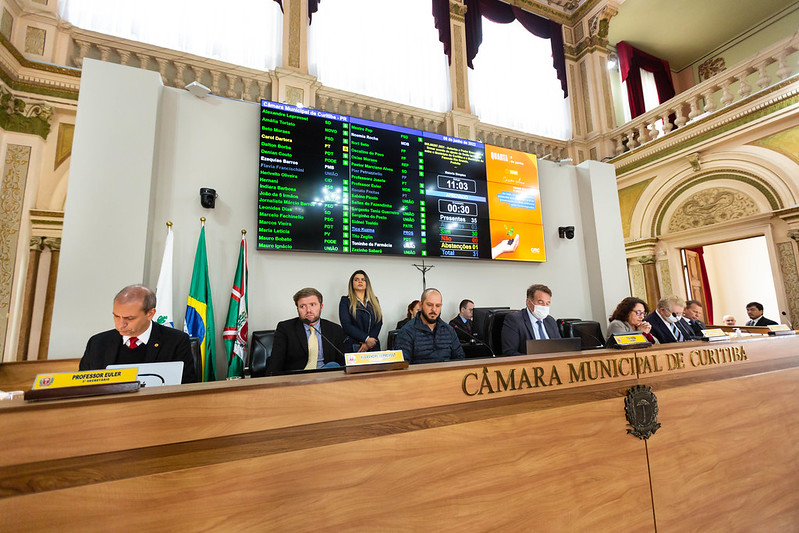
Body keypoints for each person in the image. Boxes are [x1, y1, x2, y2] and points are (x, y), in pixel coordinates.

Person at [79, 284, 197, 384]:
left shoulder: (175, 341)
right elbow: (83, 386)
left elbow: (185, 385)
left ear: (150, 314)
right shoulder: (98, 342)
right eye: (116, 316)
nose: (120, 325)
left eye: (129, 318)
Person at [266, 287, 346, 374]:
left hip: (326, 378)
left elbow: (342, 362)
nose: (308, 310)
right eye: (302, 306)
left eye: (312, 305)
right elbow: (276, 361)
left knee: (333, 365)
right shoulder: (285, 328)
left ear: (321, 307)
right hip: (297, 379)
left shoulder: (335, 329)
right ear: (297, 309)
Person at [395, 288, 465, 364]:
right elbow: (404, 364)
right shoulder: (407, 331)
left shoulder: (449, 330)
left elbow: (460, 358)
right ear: (421, 306)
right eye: (429, 305)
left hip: (446, 374)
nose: (434, 310)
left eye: (438, 306)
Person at [501, 284, 561, 356]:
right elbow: (509, 352)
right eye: (540, 302)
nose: (544, 306)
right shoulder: (514, 320)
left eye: (547, 303)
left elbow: (559, 348)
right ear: (528, 302)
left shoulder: (550, 321)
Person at [339, 270, 383, 352]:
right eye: (356, 279)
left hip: (373, 345)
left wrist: (370, 342)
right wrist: (366, 339)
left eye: (363, 279)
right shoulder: (345, 301)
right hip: (353, 345)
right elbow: (346, 325)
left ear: (367, 283)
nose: (360, 281)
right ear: (352, 283)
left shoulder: (374, 300)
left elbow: (379, 322)